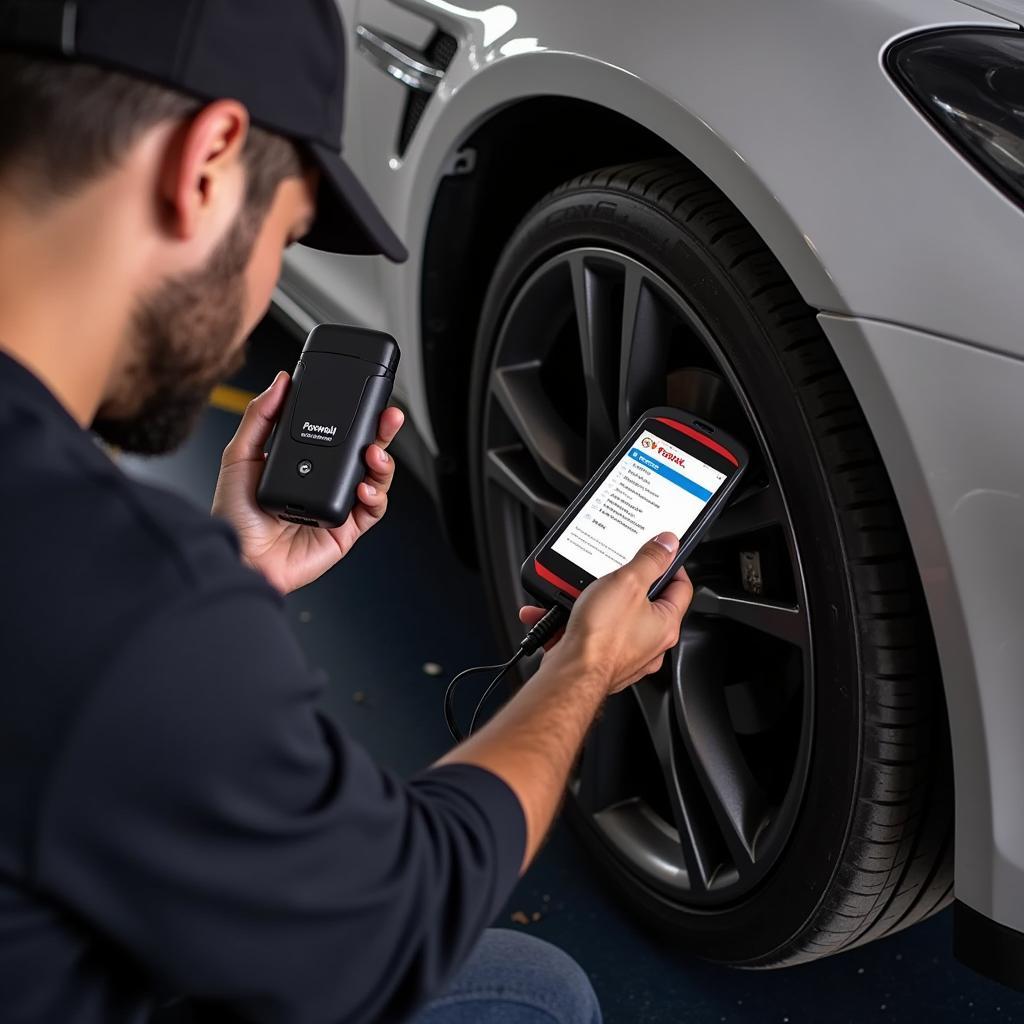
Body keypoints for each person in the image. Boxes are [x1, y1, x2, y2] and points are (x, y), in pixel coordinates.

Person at [0, 2, 693, 1023]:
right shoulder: (117, 590)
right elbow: (402, 915)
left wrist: (237, 572)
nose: (262, 294)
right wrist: (584, 666)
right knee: (536, 995)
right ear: (206, 163)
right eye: (281, 237)